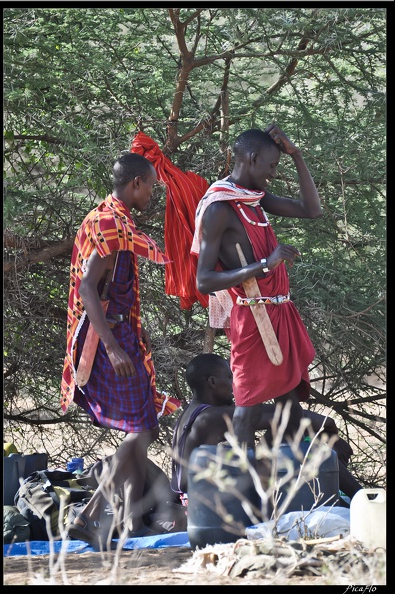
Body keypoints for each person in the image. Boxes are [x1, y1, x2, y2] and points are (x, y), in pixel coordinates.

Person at [60, 152, 172, 550]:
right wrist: (113, 348)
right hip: (108, 337)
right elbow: (90, 287)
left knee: (142, 428)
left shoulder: (111, 219)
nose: (153, 194)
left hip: (116, 334)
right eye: (152, 186)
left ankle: (128, 523)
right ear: (136, 183)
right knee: (141, 429)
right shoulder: (110, 224)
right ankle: (89, 516)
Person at [191, 125, 323, 451]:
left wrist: (297, 154)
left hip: (280, 312)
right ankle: (242, 488)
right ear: (251, 159)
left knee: (290, 401)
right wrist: (266, 264)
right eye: (272, 165)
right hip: (252, 316)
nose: (273, 174)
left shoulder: (254, 201)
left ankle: (287, 482)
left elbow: (312, 209)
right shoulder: (221, 207)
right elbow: (204, 280)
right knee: (248, 405)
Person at [171, 353, 362, 506]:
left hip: (202, 497)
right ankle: (363, 499)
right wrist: (329, 427)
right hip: (207, 503)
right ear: (213, 383)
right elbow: (285, 415)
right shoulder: (210, 417)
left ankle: (351, 501)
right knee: (310, 450)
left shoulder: (193, 412)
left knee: (291, 439)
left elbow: (275, 413)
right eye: (230, 378)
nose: (234, 385)